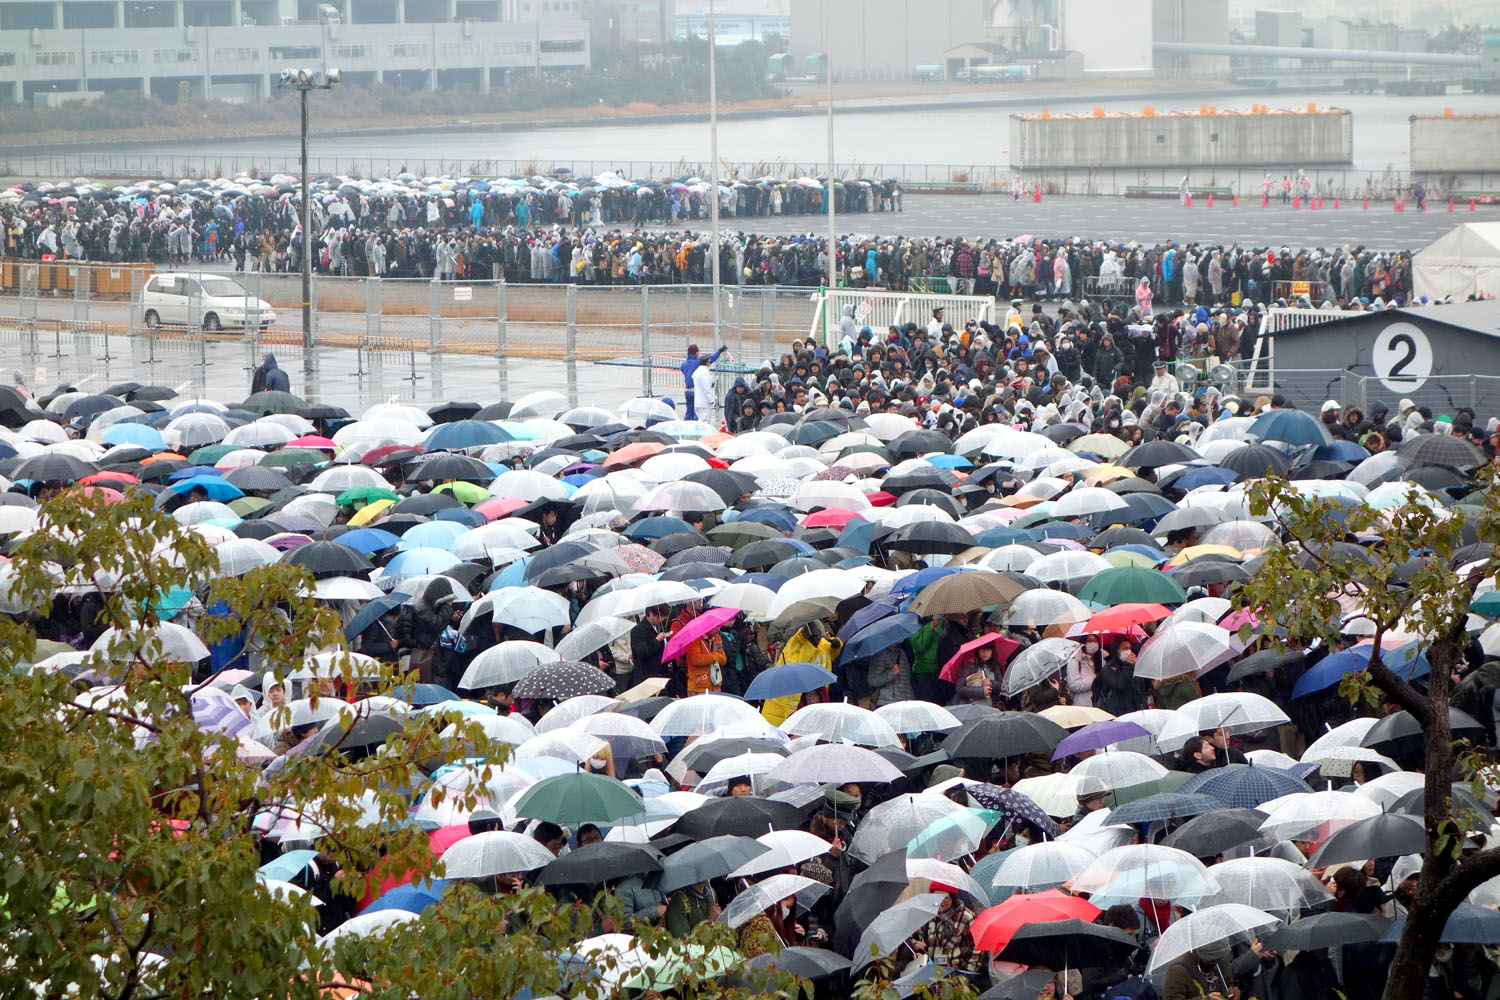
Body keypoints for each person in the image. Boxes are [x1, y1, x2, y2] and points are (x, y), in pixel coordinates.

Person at [680, 343, 727, 420]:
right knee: (697, 415)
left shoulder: (683, 364)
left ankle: (686, 427)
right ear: (696, 352)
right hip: (696, 391)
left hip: (687, 391)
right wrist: (720, 351)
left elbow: (683, 371)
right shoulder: (698, 363)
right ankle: (696, 430)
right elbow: (711, 359)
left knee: (689, 412)